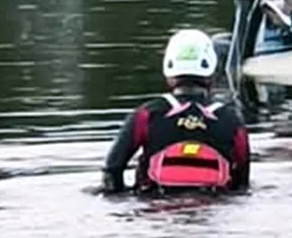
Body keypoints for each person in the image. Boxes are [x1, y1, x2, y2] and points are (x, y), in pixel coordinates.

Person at [102, 29, 251, 195]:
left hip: (155, 209)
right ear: (212, 74)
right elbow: (242, 183)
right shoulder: (232, 120)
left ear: (168, 73)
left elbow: (112, 169)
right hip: (212, 208)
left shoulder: (145, 115)